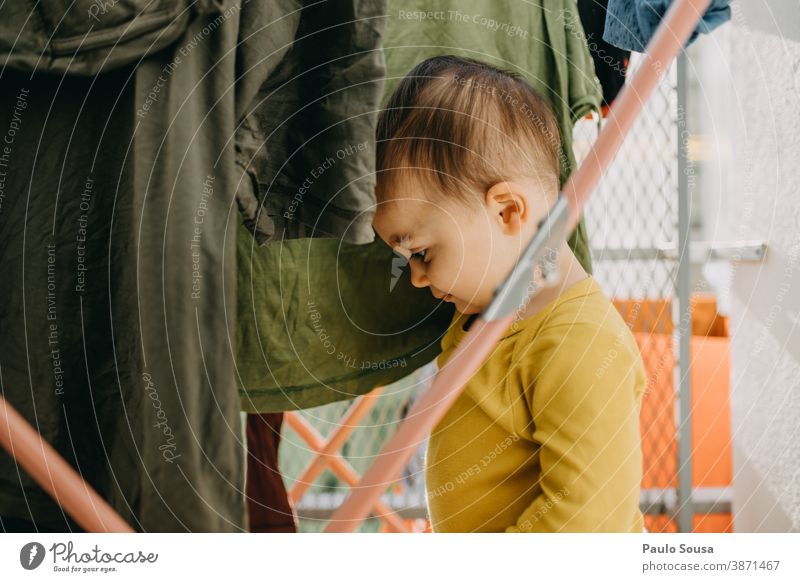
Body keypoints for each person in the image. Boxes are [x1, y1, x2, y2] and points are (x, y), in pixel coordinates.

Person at [371, 55, 647, 532]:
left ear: (506, 212)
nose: (416, 278)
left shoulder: (580, 345)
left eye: (422, 252)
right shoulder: (484, 314)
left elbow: (586, 524)